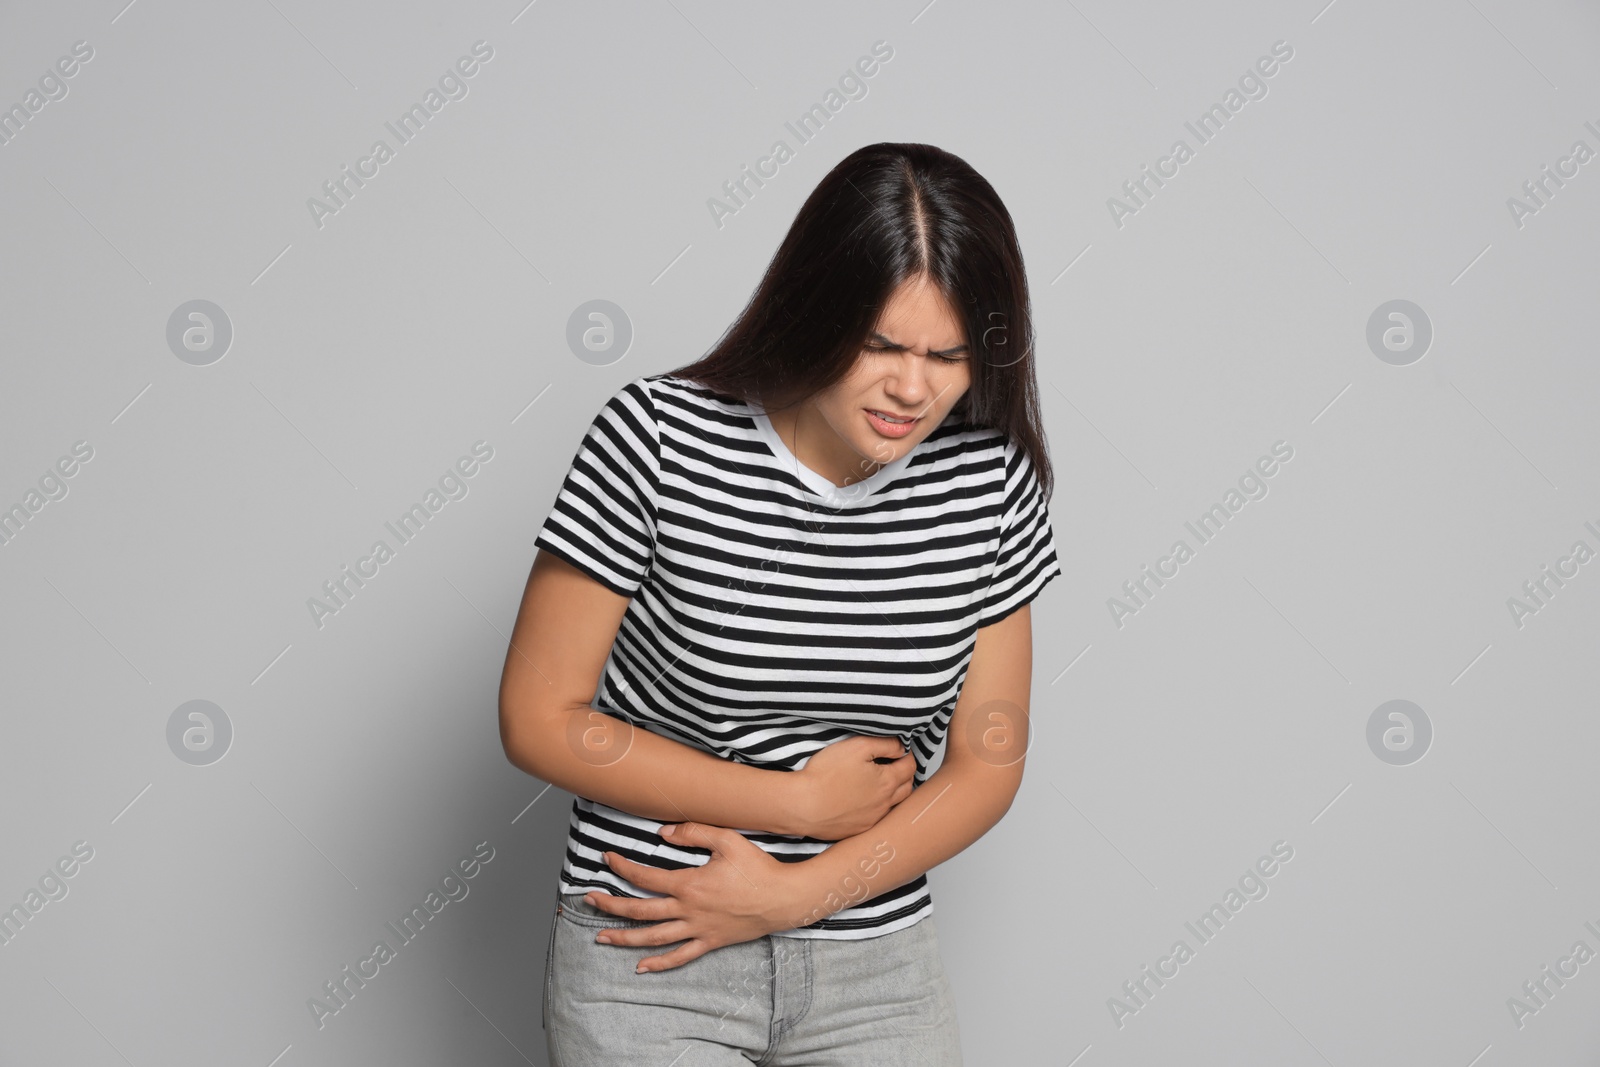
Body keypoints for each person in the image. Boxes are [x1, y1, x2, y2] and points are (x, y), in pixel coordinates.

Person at [499, 141, 1062, 1066]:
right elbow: (538, 717)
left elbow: (987, 762)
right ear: (814, 311)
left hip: (876, 969)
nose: (913, 389)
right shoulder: (654, 441)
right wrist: (794, 804)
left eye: (947, 355)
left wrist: (798, 892)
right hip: (652, 949)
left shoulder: (989, 483)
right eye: (881, 344)